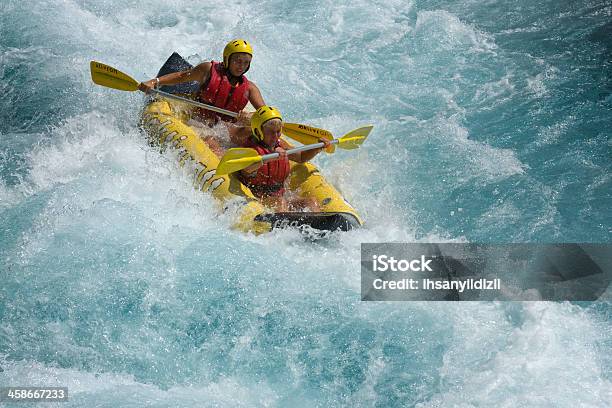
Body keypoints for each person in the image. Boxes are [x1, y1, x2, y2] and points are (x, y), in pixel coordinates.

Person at [138, 39, 265, 150]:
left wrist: (250, 117)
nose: (241, 66)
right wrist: (155, 82)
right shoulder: (208, 70)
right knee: (212, 143)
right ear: (227, 59)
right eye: (238, 61)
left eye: (246, 62)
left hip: (226, 127)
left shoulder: (250, 88)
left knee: (258, 133)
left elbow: (266, 114)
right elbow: (181, 76)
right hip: (200, 122)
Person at [238, 106, 331, 212]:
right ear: (258, 132)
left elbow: (301, 157)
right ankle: (284, 226)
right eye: (271, 132)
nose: (275, 136)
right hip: (256, 198)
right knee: (280, 202)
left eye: (278, 131)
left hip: (278, 197)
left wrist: (317, 147)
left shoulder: (280, 144)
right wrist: (269, 158)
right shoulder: (250, 150)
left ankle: (318, 224)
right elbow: (246, 169)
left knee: (311, 202)